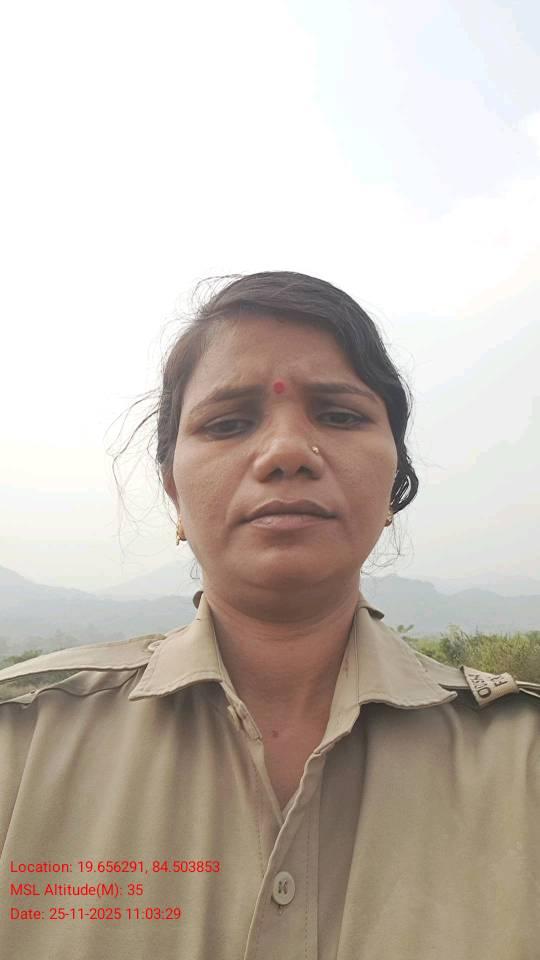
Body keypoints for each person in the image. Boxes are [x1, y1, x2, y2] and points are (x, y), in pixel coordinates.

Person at [0, 270, 538, 960]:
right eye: (228, 423)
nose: (286, 453)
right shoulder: (22, 742)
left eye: (339, 415)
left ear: (393, 480)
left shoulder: (522, 758)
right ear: (173, 488)